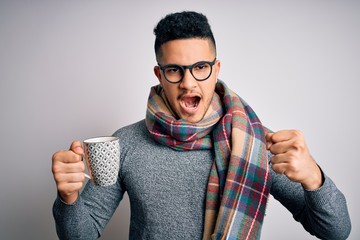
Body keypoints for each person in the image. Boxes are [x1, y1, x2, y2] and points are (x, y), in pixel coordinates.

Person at [52, 11, 351, 240]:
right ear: (159, 74)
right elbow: (81, 234)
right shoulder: (126, 142)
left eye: (200, 68)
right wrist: (69, 199)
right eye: (174, 70)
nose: (188, 82)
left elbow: (335, 231)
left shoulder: (255, 143)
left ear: (216, 69)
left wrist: (315, 178)